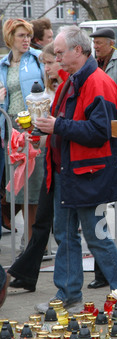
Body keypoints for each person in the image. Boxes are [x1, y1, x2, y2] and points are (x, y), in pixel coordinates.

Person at [34, 25, 117, 313]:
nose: (57, 58)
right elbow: (71, 123)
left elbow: (101, 131)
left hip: (89, 173)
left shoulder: (97, 82)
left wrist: (57, 126)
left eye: (61, 53)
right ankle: (68, 295)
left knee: (96, 237)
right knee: (66, 235)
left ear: (78, 50)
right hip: (71, 172)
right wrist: (45, 129)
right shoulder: (77, 79)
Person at [8, 41, 68, 292]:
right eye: (43, 63)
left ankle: (107, 275)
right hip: (52, 160)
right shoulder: (49, 89)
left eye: (49, 62)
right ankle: (26, 273)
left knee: (71, 229)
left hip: (66, 164)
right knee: (43, 221)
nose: (45, 67)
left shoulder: (66, 86)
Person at [87, 27, 117, 289]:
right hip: (98, 141)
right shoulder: (91, 64)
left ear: (110, 44)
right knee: (102, 206)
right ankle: (101, 273)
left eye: (99, 43)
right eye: (93, 43)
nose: (95, 47)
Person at [0, 18, 45, 243]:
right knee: (18, 190)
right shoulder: (2, 65)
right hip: (11, 132)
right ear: (10, 38)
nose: (26, 40)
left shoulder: (38, 59)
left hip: (32, 131)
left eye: (28, 35)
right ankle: (29, 240)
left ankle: (33, 241)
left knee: (33, 189)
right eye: (21, 36)